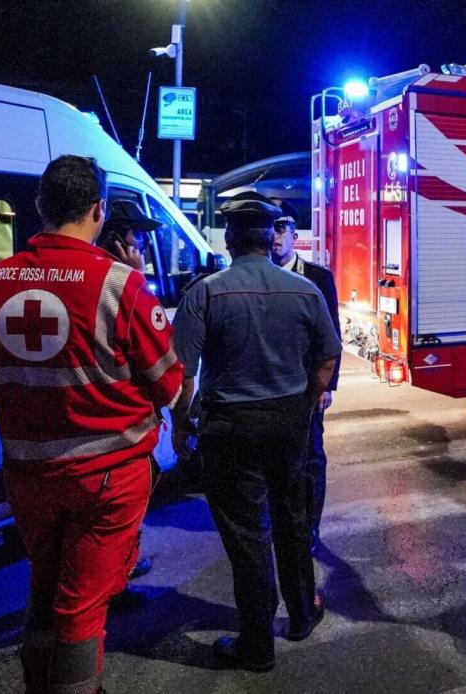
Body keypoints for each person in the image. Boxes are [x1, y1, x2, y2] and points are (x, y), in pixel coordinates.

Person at [0, 156, 183, 694]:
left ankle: (39, 679)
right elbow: (169, 386)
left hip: (28, 471)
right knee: (82, 605)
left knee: (45, 580)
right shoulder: (120, 285)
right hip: (106, 476)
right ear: (98, 210)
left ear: (39, 207)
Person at [172, 193, 341, 673]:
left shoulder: (206, 292)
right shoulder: (304, 291)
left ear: (229, 238)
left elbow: (183, 370)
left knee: (248, 535)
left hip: (230, 428)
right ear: (271, 238)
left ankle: (256, 643)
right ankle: (303, 614)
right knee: (292, 519)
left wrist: (182, 422)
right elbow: (327, 356)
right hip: (288, 422)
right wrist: (307, 403)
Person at [266, 195, 342, 555]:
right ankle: (281, 522)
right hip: (269, 385)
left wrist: (328, 385)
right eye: (271, 228)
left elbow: (332, 335)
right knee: (277, 459)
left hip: (308, 386)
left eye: (282, 228)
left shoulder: (317, 277)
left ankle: (309, 527)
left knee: (311, 457)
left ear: (295, 234)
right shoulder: (258, 275)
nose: (275, 236)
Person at [97, 198, 164, 583]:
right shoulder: (123, 286)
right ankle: (117, 578)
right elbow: (163, 369)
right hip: (117, 437)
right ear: (116, 241)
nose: (140, 243)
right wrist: (135, 278)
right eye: (135, 235)